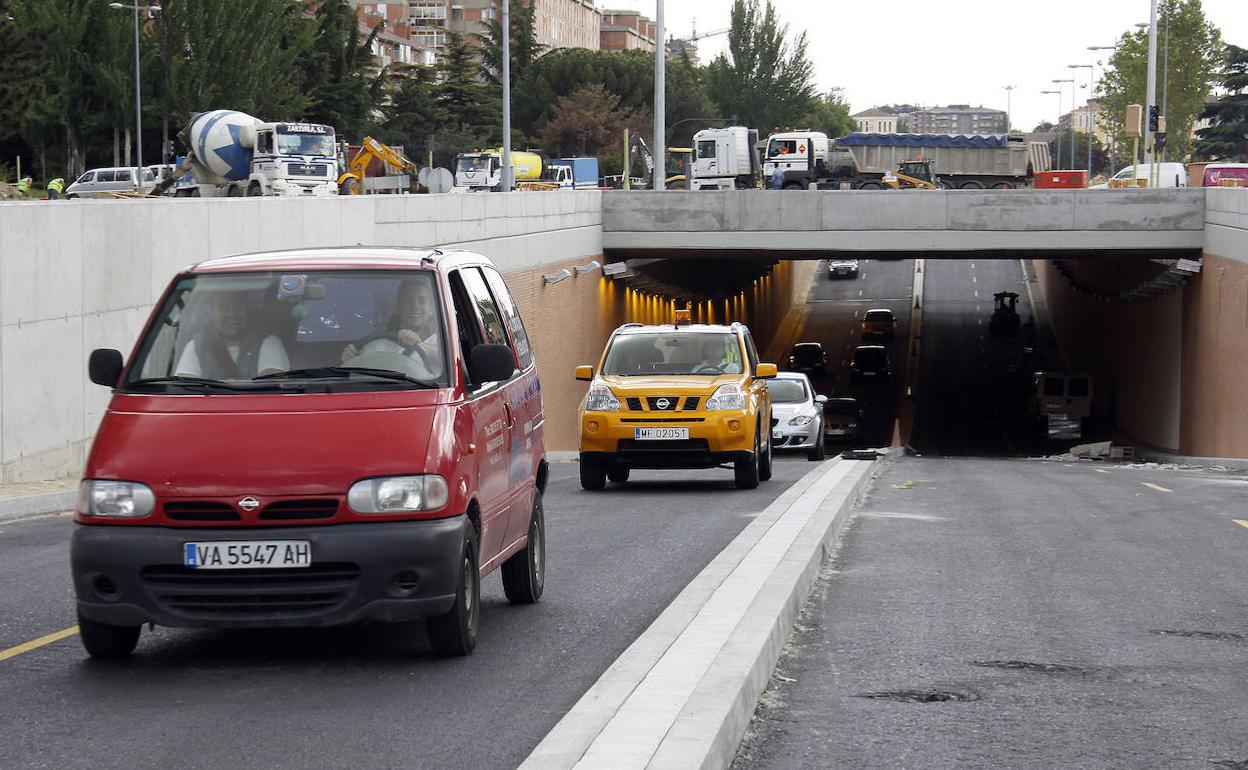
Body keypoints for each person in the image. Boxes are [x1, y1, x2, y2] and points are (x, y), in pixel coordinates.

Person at [175, 291, 289, 379]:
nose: (232, 313)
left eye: (238, 306)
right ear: (212, 313)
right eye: (224, 307)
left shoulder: (268, 341)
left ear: (248, 310)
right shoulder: (197, 345)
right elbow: (184, 389)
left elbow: (270, 389)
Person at [341, 278, 442, 373]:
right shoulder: (377, 345)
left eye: (422, 300)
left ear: (431, 310)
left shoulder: (442, 343)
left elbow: (451, 360)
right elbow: (360, 377)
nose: (415, 306)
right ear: (398, 308)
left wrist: (419, 345)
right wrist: (351, 360)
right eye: (407, 301)